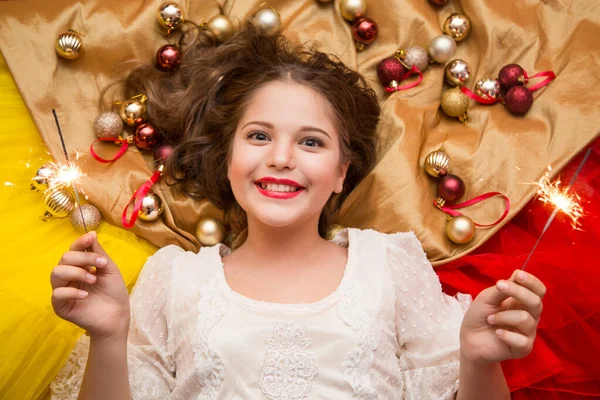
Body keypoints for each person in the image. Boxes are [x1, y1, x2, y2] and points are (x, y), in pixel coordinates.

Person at [50, 26, 546, 400]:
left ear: (339, 174)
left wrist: (479, 361)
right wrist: (111, 336)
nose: (282, 157)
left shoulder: (390, 266)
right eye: (259, 136)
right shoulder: (174, 279)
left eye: (310, 141)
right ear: (227, 162)